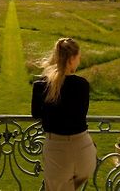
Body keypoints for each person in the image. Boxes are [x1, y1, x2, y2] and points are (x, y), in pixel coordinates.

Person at [31, 37, 97, 191]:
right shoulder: (82, 85)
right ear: (72, 59)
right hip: (83, 148)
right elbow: (81, 114)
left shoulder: (41, 86)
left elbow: (36, 114)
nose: (79, 61)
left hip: (56, 149)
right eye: (78, 58)